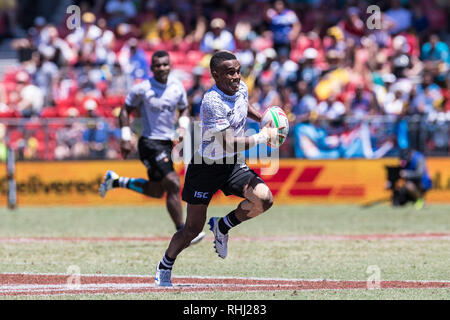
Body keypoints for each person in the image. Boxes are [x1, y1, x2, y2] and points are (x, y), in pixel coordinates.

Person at [154, 51, 282, 287]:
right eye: (230, 72)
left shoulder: (240, 87)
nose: (236, 76)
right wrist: (263, 136)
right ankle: (165, 266)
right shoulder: (211, 102)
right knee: (192, 229)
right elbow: (227, 141)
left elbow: (245, 107)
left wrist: (264, 118)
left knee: (264, 200)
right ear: (216, 75)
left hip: (231, 164)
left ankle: (222, 226)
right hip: (206, 167)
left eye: (238, 70)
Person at [98, 50, 205, 244]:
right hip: (149, 142)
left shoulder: (177, 87)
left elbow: (184, 107)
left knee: (157, 191)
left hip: (166, 143)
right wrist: (125, 136)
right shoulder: (143, 89)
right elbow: (125, 110)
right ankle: (184, 232)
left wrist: (181, 125)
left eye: (165, 64)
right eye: (158, 65)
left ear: (170, 65)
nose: (162, 68)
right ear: (152, 68)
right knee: (173, 183)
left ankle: (115, 181)